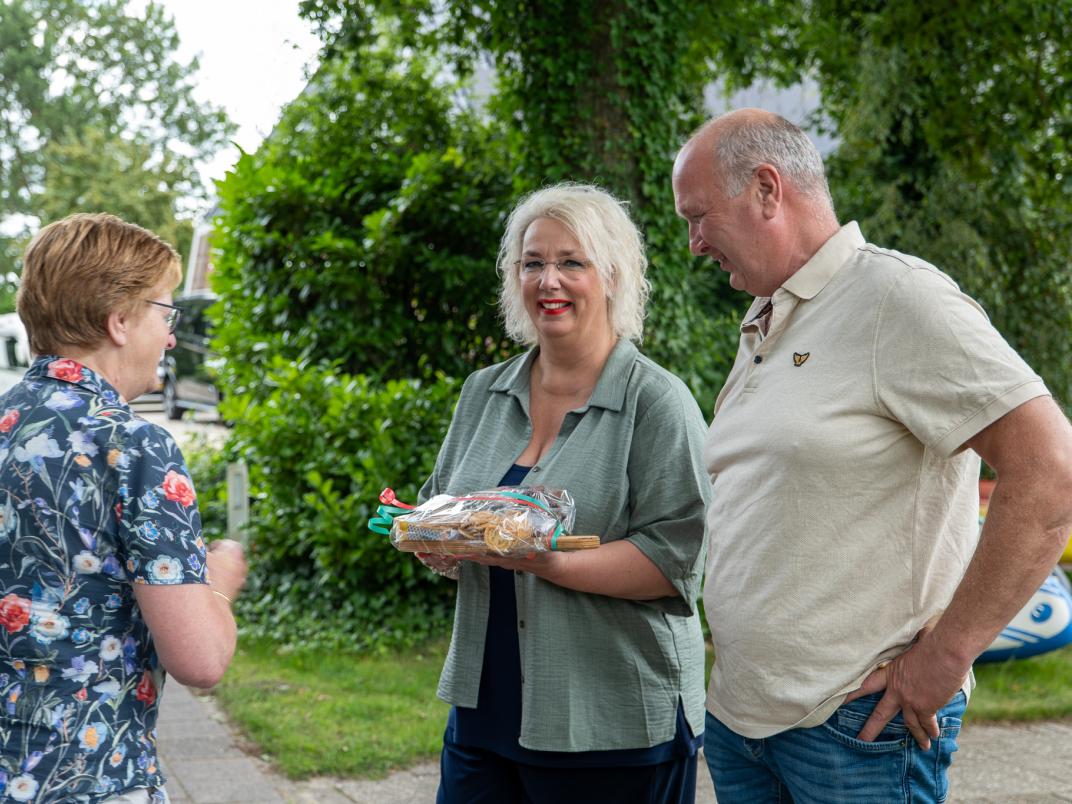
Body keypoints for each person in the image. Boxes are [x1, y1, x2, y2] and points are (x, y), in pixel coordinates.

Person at [672, 108, 1072, 803]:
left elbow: (1053, 472)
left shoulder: (895, 297)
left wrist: (946, 656)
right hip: (744, 723)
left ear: (768, 189)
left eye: (699, 216)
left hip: (854, 728)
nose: (694, 243)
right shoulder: (772, 315)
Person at [417, 183, 709, 803]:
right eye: (533, 263)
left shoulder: (656, 402)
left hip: (609, 720)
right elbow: (442, 504)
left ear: (611, 275)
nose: (549, 281)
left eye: (570, 262)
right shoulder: (483, 393)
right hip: (486, 708)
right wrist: (436, 540)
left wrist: (547, 562)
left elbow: (676, 561)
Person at [0, 213, 247, 803]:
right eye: (165, 314)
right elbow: (201, 660)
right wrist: (218, 584)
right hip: (89, 775)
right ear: (118, 322)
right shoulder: (134, 446)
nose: (170, 337)